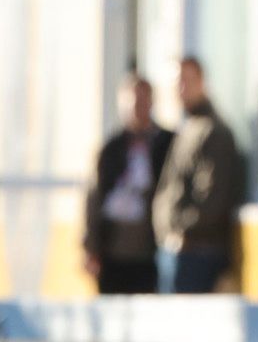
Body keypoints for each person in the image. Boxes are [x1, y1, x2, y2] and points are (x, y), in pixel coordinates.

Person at [151, 57, 245, 294]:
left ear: (202, 83)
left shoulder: (213, 131)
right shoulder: (187, 127)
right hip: (173, 249)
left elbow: (213, 198)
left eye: (187, 81)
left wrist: (180, 227)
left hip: (199, 252)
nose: (181, 89)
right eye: (177, 83)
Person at [84, 74, 172, 295]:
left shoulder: (167, 144)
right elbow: (95, 198)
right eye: (132, 102)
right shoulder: (111, 149)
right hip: (114, 254)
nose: (137, 107)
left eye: (143, 100)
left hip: (152, 252)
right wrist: (91, 248)